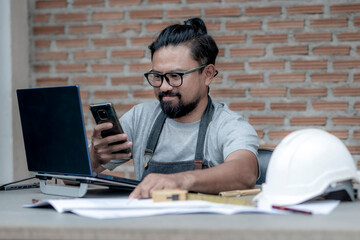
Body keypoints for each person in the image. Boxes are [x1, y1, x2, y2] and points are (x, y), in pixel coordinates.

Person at [89, 18, 259, 199]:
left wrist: (179, 181)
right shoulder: (140, 118)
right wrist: (94, 157)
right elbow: (71, 179)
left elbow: (245, 173)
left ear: (207, 74)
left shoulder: (228, 125)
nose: (163, 87)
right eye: (157, 76)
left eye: (175, 76)